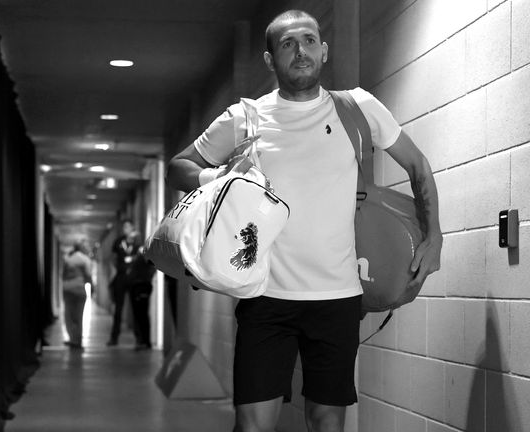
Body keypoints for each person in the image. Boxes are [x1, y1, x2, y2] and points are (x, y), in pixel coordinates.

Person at [166, 10, 441, 432]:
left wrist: (433, 235)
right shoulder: (246, 118)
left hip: (338, 297)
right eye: (288, 44)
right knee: (252, 425)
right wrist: (218, 177)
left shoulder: (358, 108)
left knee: (327, 424)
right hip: (264, 296)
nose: (301, 51)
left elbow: (418, 166)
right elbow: (178, 166)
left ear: (324, 50)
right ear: (269, 59)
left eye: (309, 40)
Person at [107, 219, 137, 346]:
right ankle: (114, 337)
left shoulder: (137, 242)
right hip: (121, 276)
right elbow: (113, 258)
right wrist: (119, 267)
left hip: (133, 277)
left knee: (136, 308)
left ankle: (139, 339)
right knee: (118, 309)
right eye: (124, 227)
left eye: (128, 227)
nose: (126, 229)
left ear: (132, 228)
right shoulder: (118, 242)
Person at [125, 233, 156, 351]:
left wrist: (145, 278)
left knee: (141, 314)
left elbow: (151, 267)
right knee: (138, 315)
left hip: (141, 286)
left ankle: (145, 341)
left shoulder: (144, 252)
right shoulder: (137, 254)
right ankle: (141, 340)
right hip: (137, 286)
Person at [62, 239, 93, 350]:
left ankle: (72, 339)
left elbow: (64, 274)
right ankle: (78, 341)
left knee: (69, 316)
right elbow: (88, 276)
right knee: (79, 316)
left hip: (68, 289)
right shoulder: (86, 260)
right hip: (80, 289)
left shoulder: (68, 259)